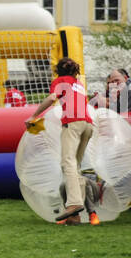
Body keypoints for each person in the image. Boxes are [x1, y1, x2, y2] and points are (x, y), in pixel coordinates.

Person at [26, 57, 93, 224]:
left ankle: (74, 204)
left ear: (58, 70)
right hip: (88, 125)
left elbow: (51, 99)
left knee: (67, 163)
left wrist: (34, 116)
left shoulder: (60, 81)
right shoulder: (79, 84)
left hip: (72, 123)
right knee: (75, 166)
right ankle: (75, 215)